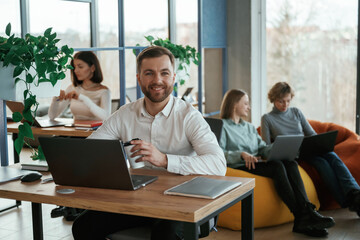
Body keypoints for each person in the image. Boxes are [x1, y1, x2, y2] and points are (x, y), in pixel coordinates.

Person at [71, 46, 226, 240]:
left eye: (164, 73)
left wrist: (165, 160)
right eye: (149, 73)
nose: (157, 80)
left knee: (164, 233)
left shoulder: (189, 116)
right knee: (83, 227)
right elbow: (89, 150)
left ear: (173, 77)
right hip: (138, 201)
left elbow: (219, 165)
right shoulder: (125, 114)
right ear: (139, 78)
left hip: (183, 203)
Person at [219, 89, 335, 237]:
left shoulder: (248, 127)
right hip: (241, 166)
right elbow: (219, 153)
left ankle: (306, 213)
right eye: (246, 103)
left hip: (257, 163)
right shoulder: (223, 127)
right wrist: (241, 154)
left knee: (290, 162)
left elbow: (262, 148)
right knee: (277, 166)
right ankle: (302, 216)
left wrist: (278, 147)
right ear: (234, 105)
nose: (249, 107)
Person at [261, 81, 360, 217]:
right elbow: (265, 146)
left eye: (288, 101)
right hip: (293, 153)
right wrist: (282, 145)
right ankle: (348, 201)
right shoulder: (267, 118)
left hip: (308, 147)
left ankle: (354, 193)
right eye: (281, 101)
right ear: (273, 99)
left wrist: (319, 143)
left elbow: (311, 133)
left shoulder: (296, 112)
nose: (285, 105)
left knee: (331, 155)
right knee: (323, 164)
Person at [48, 51, 111, 121]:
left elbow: (106, 117)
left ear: (92, 68)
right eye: (74, 67)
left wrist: (82, 98)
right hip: (75, 131)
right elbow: (52, 116)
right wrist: (56, 99)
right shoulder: (72, 88)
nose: (75, 71)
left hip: (96, 131)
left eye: (80, 67)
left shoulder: (104, 91)